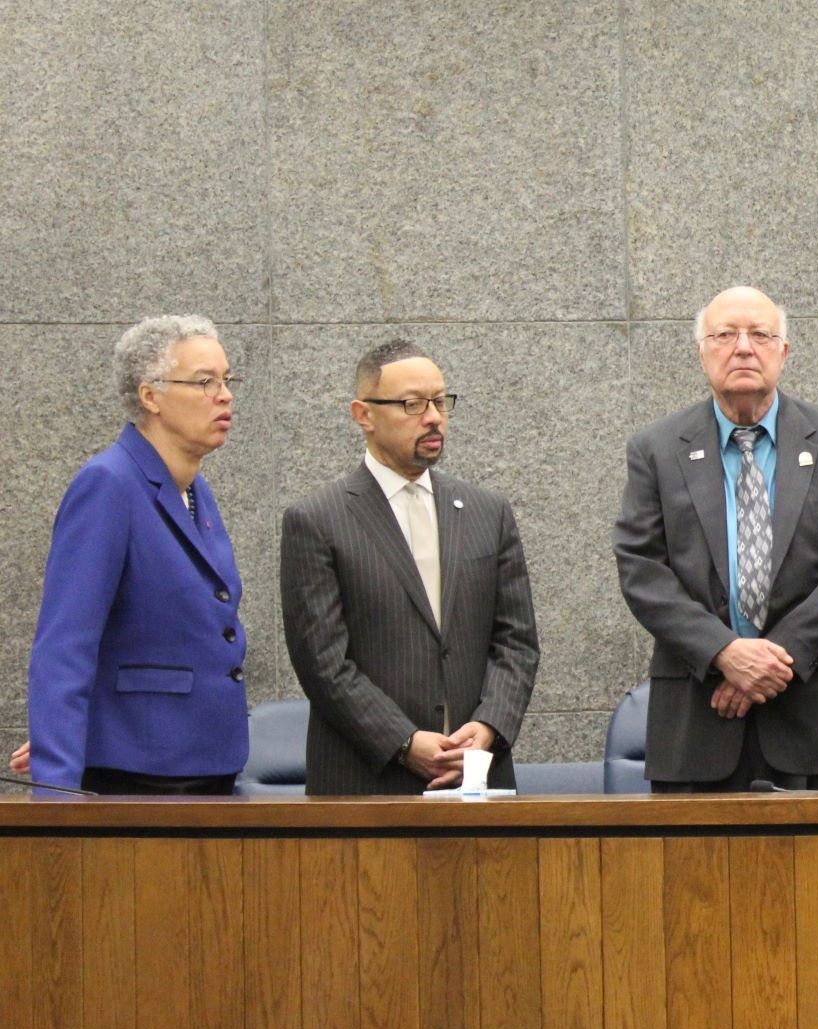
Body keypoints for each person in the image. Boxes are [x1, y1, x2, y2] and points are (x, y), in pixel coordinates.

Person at [614, 286, 818, 792]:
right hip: (698, 717)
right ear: (701, 351)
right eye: (725, 335)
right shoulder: (655, 449)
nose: (743, 348)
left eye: (760, 335)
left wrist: (773, 658)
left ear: (783, 351)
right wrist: (724, 653)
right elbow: (641, 568)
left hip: (816, 711)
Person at [281, 340, 540, 794]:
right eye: (412, 404)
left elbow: (516, 641)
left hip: (476, 776)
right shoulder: (318, 520)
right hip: (366, 780)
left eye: (441, 402)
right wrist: (402, 741)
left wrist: (489, 726)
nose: (434, 417)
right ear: (364, 415)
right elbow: (323, 663)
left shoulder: (487, 512)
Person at [26, 315, 249, 793]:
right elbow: (65, 648)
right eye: (205, 381)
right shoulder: (109, 484)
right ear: (151, 396)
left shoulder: (195, 490)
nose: (225, 395)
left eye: (228, 381)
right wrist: (56, 797)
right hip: (138, 775)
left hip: (207, 766)